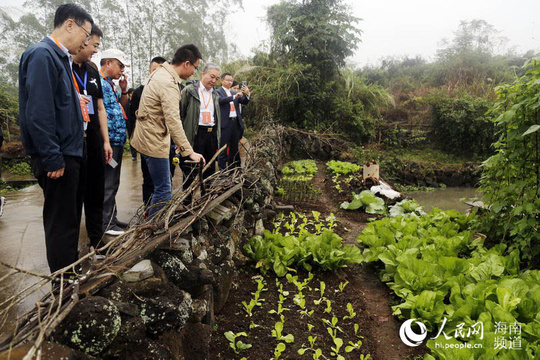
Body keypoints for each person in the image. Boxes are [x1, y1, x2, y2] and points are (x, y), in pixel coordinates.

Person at [18, 4, 93, 273]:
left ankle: (70, 272)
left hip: (70, 151)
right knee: (61, 222)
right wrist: (51, 156)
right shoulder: (41, 55)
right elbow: (38, 112)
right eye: (86, 33)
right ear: (70, 24)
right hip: (58, 155)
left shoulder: (61, 59)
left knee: (71, 219)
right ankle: (63, 283)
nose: (86, 41)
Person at [131, 44, 204, 216]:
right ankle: (153, 230)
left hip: (147, 135)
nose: (195, 72)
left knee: (158, 186)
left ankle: (152, 221)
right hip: (154, 140)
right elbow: (173, 120)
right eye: (196, 67)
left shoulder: (161, 72)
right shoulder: (168, 83)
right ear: (186, 63)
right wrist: (189, 151)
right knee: (163, 189)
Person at [72, 24, 113, 251]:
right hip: (74, 140)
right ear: (83, 39)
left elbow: (100, 108)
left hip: (94, 139)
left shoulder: (92, 70)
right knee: (75, 195)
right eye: (95, 44)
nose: (96, 50)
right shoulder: (64, 67)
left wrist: (105, 141)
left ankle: (97, 241)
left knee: (96, 192)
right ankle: (71, 248)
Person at [128, 56, 170, 207]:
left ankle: (162, 209)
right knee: (148, 178)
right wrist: (133, 140)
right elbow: (133, 120)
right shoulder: (140, 92)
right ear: (149, 71)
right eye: (154, 71)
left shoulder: (170, 87)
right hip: (147, 141)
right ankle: (148, 209)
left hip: (165, 140)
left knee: (165, 180)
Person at [99, 49, 129, 235]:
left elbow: (121, 108)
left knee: (113, 181)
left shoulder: (112, 85)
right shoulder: (99, 83)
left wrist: (124, 90)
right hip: (108, 142)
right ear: (108, 63)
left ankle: (112, 217)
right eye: (120, 65)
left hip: (117, 141)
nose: (122, 70)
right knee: (107, 182)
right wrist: (105, 141)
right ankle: (106, 224)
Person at [180, 63, 222, 181]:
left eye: (217, 78)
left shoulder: (215, 94)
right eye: (212, 76)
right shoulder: (189, 91)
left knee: (210, 170)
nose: (214, 81)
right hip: (195, 134)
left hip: (211, 135)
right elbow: (180, 114)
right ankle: (188, 199)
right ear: (203, 74)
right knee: (191, 170)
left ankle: (207, 197)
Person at [217, 73, 250, 169]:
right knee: (223, 148)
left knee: (234, 147)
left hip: (235, 123)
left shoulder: (233, 93)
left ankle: (232, 169)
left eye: (231, 80)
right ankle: (222, 170)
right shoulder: (217, 92)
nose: (230, 82)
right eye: (228, 80)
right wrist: (234, 97)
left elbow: (244, 101)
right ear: (222, 80)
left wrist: (247, 94)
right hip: (225, 123)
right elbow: (221, 101)